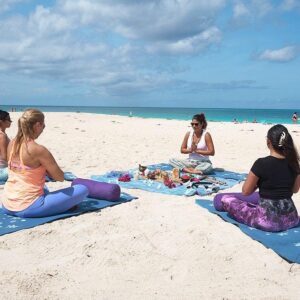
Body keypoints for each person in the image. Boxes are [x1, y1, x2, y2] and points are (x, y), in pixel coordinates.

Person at [1, 109, 89, 218]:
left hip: (7, 204)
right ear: (38, 125)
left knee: (44, 188)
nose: (43, 128)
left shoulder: (12, 143)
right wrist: (47, 170)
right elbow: (60, 177)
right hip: (28, 207)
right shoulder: (38, 150)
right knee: (82, 189)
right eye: (43, 125)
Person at [214, 124, 300, 232]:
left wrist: (257, 185)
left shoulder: (261, 163)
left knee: (225, 199)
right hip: (291, 219)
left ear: (268, 141)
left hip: (267, 221)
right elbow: (295, 190)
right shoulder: (294, 163)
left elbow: (245, 191)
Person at [0, 110, 12, 181]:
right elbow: (5, 157)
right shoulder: (2, 136)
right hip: (2, 170)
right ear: (1, 121)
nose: (11, 121)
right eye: (8, 119)